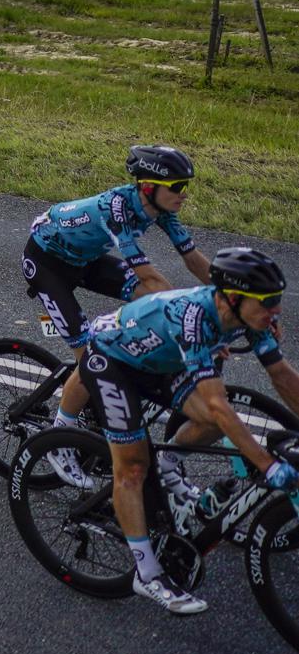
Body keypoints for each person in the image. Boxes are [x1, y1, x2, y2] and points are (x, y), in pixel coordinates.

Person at [77, 249, 298, 615]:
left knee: (209, 421)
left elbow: (283, 376)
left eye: (277, 299)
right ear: (232, 298)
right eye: (266, 301)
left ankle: (167, 465)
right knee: (132, 468)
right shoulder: (194, 317)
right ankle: (147, 573)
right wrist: (267, 465)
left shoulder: (249, 318)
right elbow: (218, 405)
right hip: (112, 362)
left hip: (158, 364)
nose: (275, 309)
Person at [26, 147, 210, 472]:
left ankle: (131, 384)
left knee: (149, 305)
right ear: (149, 187)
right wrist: (188, 317)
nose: (185, 193)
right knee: (93, 357)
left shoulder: (161, 210)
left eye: (186, 185)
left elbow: (193, 260)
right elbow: (149, 276)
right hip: (47, 264)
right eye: (178, 186)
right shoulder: (117, 208)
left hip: (85, 260)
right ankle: (59, 437)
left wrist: (232, 300)